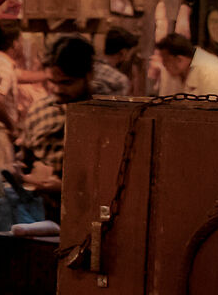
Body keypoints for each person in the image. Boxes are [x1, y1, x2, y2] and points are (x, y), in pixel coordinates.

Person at [12, 35, 96, 206]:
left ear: (88, 76)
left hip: (86, 210)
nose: (57, 89)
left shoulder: (105, 115)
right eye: (52, 81)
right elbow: (26, 156)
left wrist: (66, 188)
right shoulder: (39, 109)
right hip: (40, 210)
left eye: (67, 83)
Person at [153, 32, 218, 97]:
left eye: (166, 60)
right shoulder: (174, 70)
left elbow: (212, 110)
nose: (163, 64)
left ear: (179, 59)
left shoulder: (210, 70)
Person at [101, 28, 139, 96]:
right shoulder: (120, 80)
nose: (129, 58)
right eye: (130, 54)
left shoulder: (90, 70)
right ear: (123, 52)